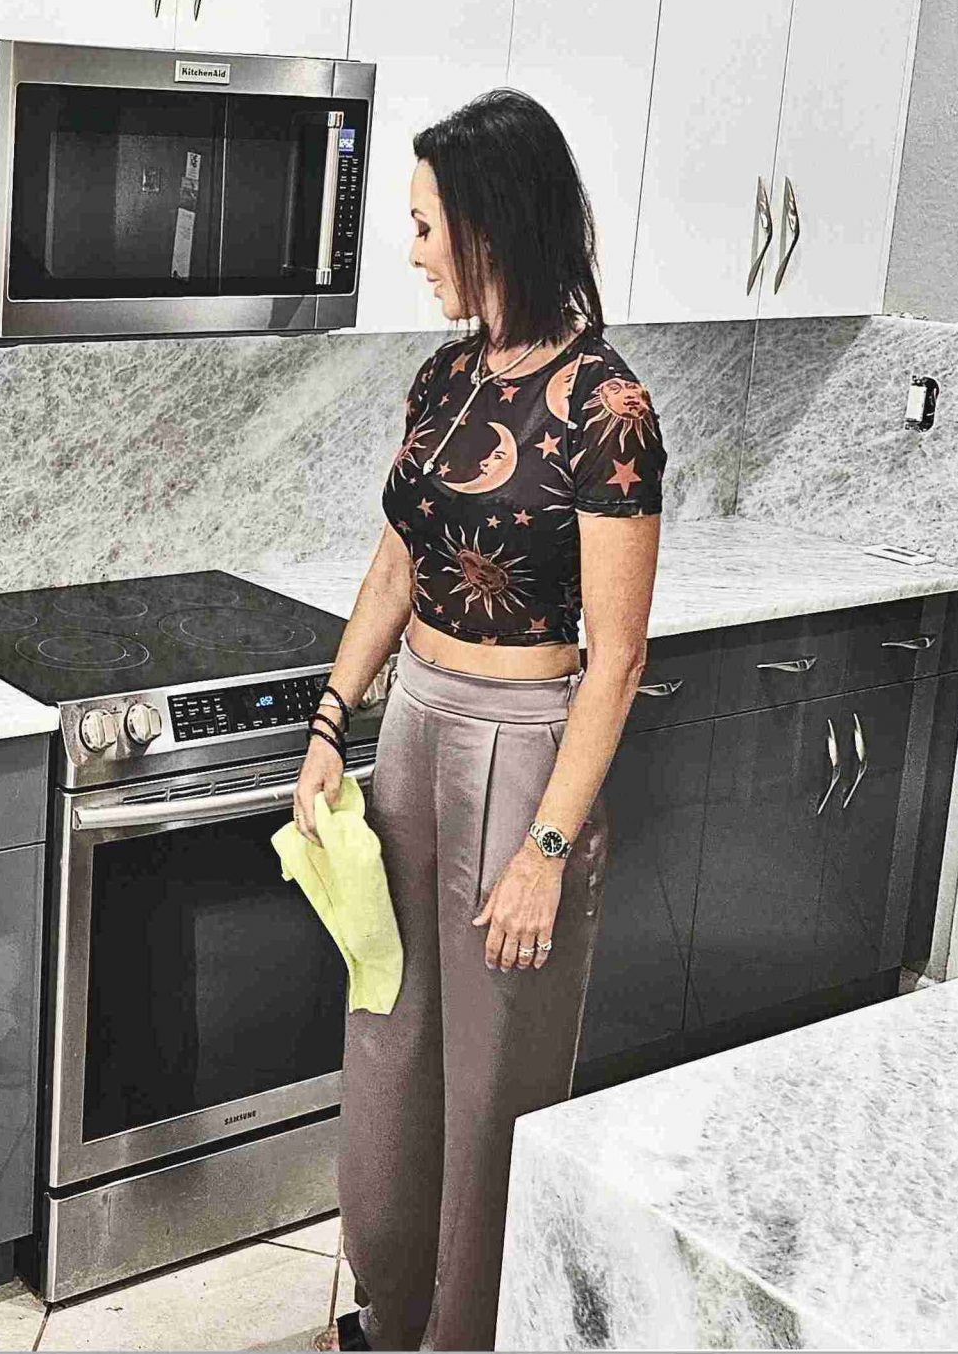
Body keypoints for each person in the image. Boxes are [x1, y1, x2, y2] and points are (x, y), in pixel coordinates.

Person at [294, 88, 663, 1352]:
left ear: (490, 226)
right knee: (390, 1040)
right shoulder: (446, 375)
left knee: (495, 1079)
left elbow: (617, 657)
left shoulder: (606, 406)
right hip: (413, 727)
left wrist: (546, 850)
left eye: (422, 226)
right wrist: (330, 721)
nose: (411, 252)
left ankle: (468, 1334)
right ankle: (390, 1310)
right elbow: (392, 570)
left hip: (526, 743)